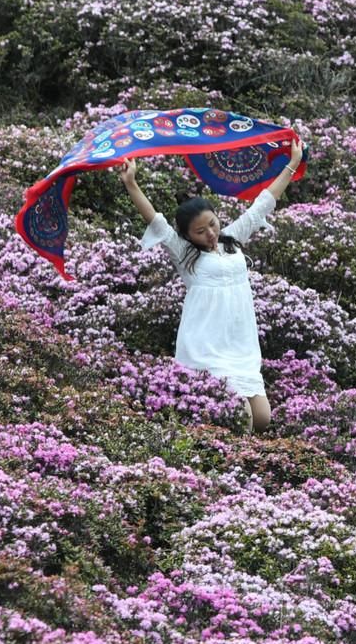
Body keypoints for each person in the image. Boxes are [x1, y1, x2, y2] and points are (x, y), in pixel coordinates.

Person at [116, 132, 305, 431]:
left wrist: (292, 163)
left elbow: (264, 203)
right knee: (240, 419)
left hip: (240, 346)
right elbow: (156, 221)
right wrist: (131, 183)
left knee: (262, 419)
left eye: (212, 224)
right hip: (206, 349)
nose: (211, 234)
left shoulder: (232, 239)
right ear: (188, 236)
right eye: (200, 231)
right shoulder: (185, 255)